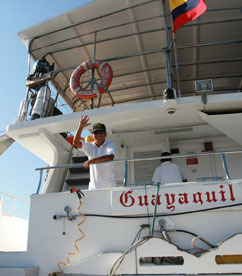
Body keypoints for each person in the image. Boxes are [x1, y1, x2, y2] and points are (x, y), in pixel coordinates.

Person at [73, 115, 116, 190]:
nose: (98, 134)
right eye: (96, 132)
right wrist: (80, 127)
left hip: (110, 186)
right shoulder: (89, 146)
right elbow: (76, 143)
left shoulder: (110, 144)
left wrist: (92, 161)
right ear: (92, 135)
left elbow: (110, 157)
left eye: (101, 132)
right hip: (93, 187)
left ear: (105, 134)